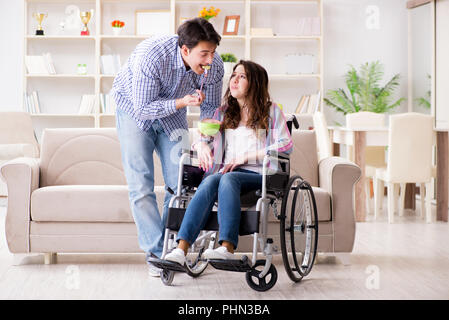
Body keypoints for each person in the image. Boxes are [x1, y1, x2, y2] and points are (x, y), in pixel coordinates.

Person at [111, 18, 224, 275]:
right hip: (134, 113)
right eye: (203, 54)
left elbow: (210, 110)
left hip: (173, 118)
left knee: (181, 184)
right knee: (140, 186)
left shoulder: (214, 65)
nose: (209, 60)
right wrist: (183, 101)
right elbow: (143, 108)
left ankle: (170, 251)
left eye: (212, 52)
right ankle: (155, 252)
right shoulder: (151, 56)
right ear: (185, 50)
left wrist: (205, 141)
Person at [163, 60, 293, 265]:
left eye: (242, 76)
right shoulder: (223, 113)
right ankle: (181, 249)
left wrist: (247, 157)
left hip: (261, 175)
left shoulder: (271, 112)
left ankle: (227, 247)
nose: (235, 80)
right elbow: (202, 138)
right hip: (228, 175)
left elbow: (286, 144)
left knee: (227, 178)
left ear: (256, 83)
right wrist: (202, 146)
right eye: (234, 75)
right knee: (211, 180)